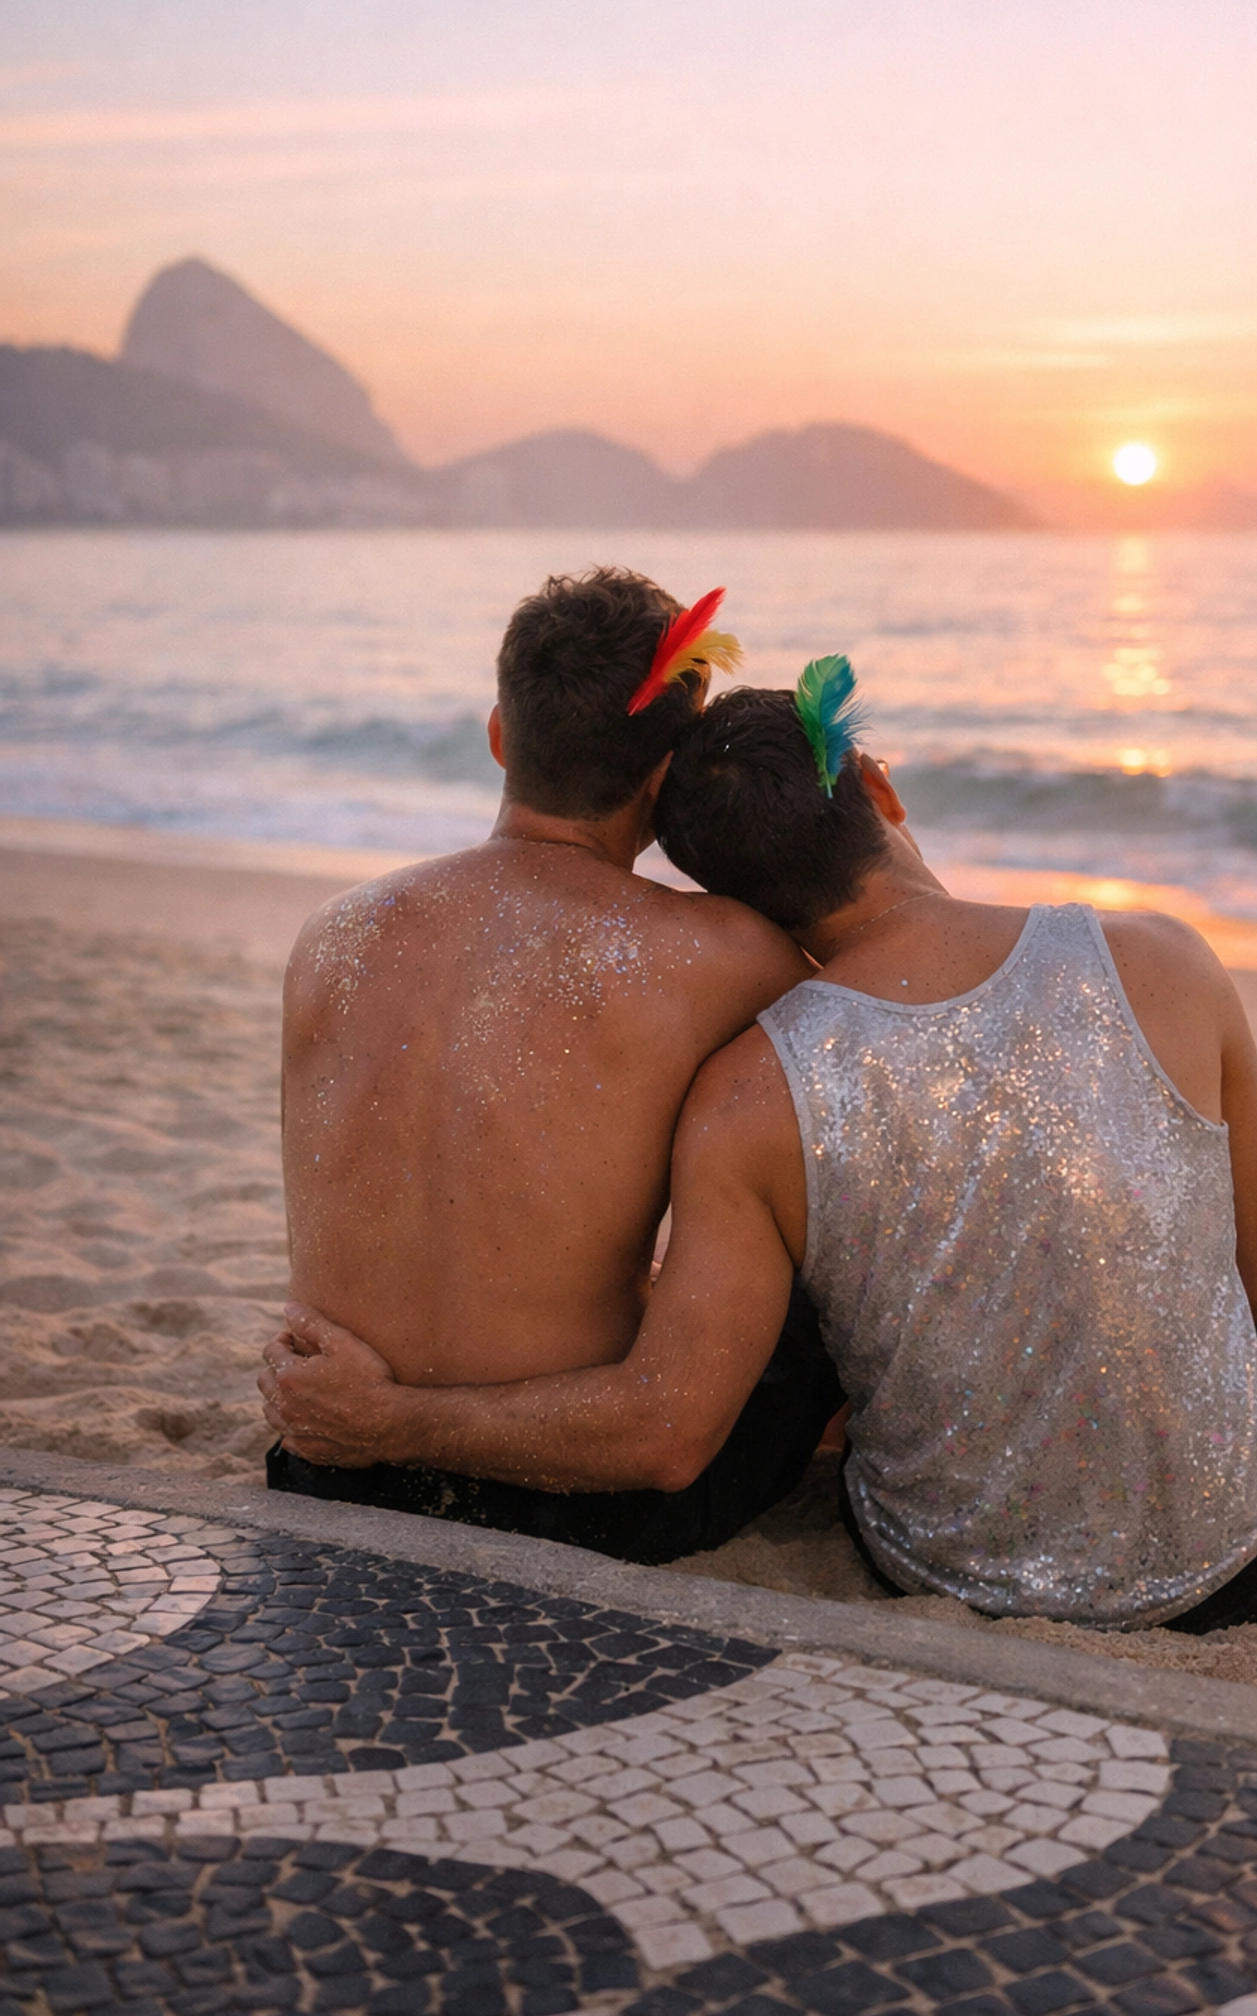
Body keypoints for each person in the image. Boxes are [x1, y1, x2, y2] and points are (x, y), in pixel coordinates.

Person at [263, 660, 1257, 1631]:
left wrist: (390, 1415)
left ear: (718, 891)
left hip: (936, 1569)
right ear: (876, 784)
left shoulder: (750, 1091)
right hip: (1246, 1557)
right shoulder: (1162, 958)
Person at [266, 573, 841, 1565]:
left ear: (499, 734)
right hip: (574, 1500)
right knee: (817, 1245)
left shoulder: (333, 934)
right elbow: (896, 1036)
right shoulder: (720, 958)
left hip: (323, 1458)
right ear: (667, 777)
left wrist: (370, 1418)